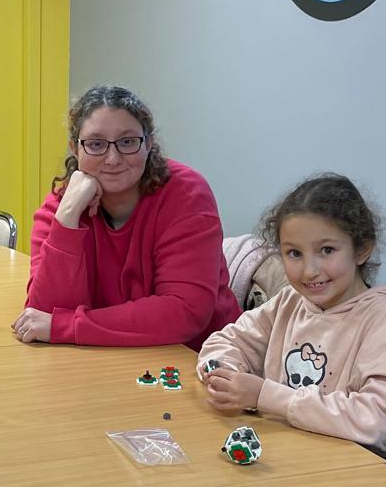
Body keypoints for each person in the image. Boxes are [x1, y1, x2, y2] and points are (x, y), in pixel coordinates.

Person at [196, 173, 386, 469]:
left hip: (360, 470)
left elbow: (385, 421)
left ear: (362, 249)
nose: (309, 270)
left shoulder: (383, 315)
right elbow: (226, 342)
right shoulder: (290, 301)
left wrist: (266, 396)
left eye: (327, 250)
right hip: (293, 454)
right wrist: (226, 377)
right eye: (294, 253)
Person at [13, 85, 240, 348]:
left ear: (149, 143)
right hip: (107, 354)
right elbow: (44, 314)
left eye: (127, 142)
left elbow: (184, 312)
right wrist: (67, 217)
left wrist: (68, 326)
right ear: (75, 149)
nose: (112, 159)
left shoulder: (186, 194)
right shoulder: (62, 206)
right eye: (95, 144)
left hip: (201, 357)